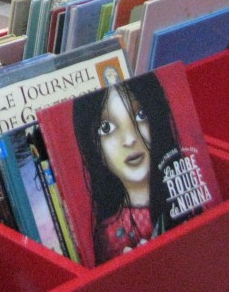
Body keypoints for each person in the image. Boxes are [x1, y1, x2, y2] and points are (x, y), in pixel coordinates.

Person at [71, 73, 186, 264]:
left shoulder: (183, 196)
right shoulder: (109, 234)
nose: (130, 139)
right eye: (106, 128)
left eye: (140, 115)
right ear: (92, 144)